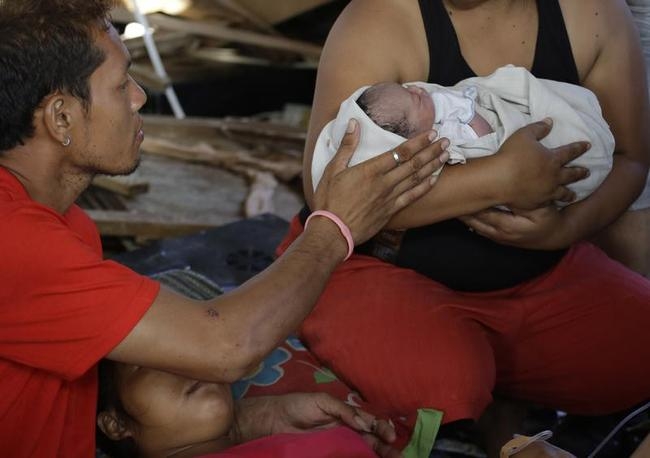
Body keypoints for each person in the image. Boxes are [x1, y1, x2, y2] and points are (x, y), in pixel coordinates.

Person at [0, 1, 450, 456]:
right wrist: (336, 226)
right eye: (120, 85)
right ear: (61, 118)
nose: (139, 97)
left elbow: (63, 396)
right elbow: (227, 345)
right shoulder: (16, 242)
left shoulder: (64, 224)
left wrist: (243, 424)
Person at [276, 0, 650, 456]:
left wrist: (562, 231)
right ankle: (482, 395)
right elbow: (330, 194)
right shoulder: (380, 18)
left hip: (536, 273)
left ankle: (501, 387)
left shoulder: (591, 14)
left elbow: (630, 159)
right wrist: (500, 179)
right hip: (381, 271)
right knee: (443, 388)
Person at [312, 67, 615, 207]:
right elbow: (484, 142)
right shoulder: (444, 138)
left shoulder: (434, 103)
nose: (418, 90)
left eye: (409, 89)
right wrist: (471, 116)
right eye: (414, 99)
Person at [95, 359, 389, 457]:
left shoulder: (323, 440)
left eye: (187, 348)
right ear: (116, 424)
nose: (182, 362)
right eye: (147, 362)